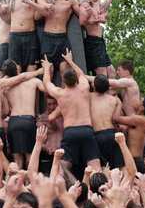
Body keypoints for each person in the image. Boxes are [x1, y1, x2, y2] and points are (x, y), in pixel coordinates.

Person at [41, 51, 101, 183]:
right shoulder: (84, 87)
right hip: (86, 130)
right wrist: (71, 61)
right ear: (76, 79)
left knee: (63, 165)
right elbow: (81, 74)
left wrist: (46, 68)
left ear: (63, 81)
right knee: (96, 167)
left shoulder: (60, 94)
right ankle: (98, 192)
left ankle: (76, 185)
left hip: (70, 132)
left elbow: (46, 83)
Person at [2, 59, 46, 169]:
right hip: (28, 121)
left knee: (17, 162)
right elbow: (46, 89)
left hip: (14, 122)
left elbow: (6, 111)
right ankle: (29, 184)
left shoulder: (6, 87)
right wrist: (45, 72)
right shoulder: (33, 81)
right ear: (17, 68)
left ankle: (17, 184)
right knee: (30, 157)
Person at [6, 0, 52, 72]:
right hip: (14, 36)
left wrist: (41, 3)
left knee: (32, 67)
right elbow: (4, 9)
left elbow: (43, 6)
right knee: (16, 68)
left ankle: (31, 88)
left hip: (30, 35)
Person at [41, 0, 80, 84]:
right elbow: (36, 12)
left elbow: (82, 15)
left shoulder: (71, 1)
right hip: (47, 38)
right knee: (48, 71)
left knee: (66, 72)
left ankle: (63, 100)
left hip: (62, 38)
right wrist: (45, 5)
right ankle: (46, 101)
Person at [79, 0, 116, 78]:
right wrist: (96, 20)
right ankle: (96, 93)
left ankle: (111, 94)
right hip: (93, 42)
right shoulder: (84, 3)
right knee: (102, 74)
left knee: (112, 73)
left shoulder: (97, 1)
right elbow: (82, 22)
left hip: (101, 41)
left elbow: (103, 10)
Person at [112, 96, 145, 174]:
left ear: (141, 108)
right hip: (133, 160)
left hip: (135, 161)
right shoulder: (137, 119)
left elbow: (115, 118)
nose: (136, 100)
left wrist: (119, 104)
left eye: (139, 100)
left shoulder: (140, 119)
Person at [90, 75, 124, 170]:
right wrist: (120, 104)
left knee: (104, 167)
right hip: (113, 134)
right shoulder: (113, 100)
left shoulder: (89, 97)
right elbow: (116, 119)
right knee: (119, 167)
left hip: (98, 135)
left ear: (94, 86)